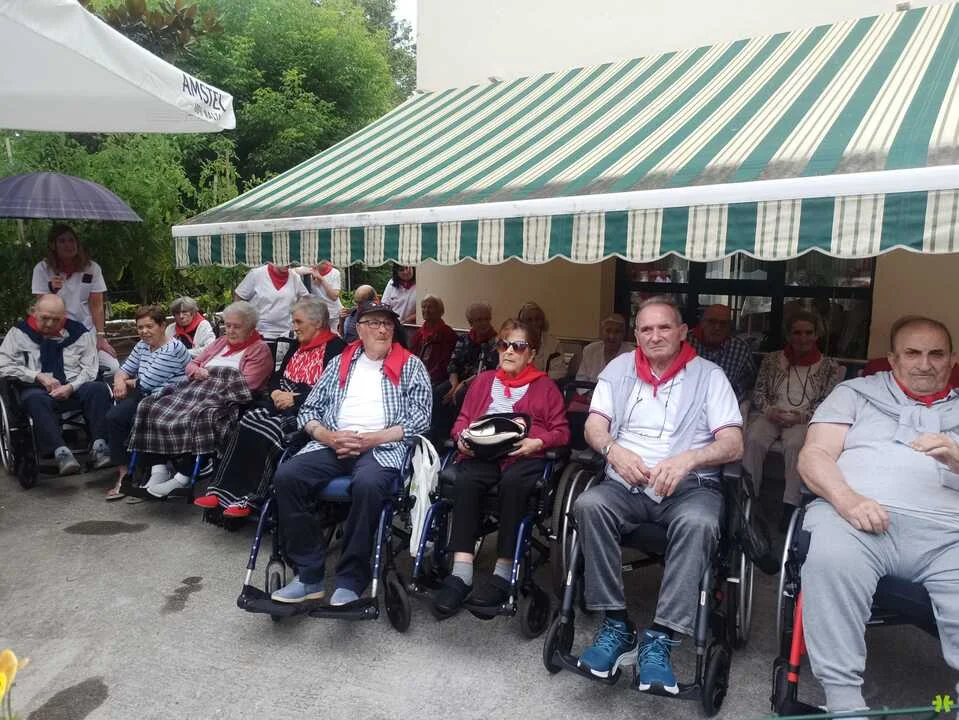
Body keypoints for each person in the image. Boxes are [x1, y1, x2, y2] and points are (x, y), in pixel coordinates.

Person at [572, 296, 743, 691]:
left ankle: (661, 636)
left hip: (689, 488)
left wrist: (688, 460)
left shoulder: (710, 376)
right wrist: (614, 451)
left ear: (682, 332)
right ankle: (616, 625)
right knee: (589, 504)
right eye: (646, 329)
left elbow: (733, 443)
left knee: (699, 522)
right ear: (636, 335)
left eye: (664, 327)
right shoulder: (618, 369)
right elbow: (594, 427)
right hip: (627, 484)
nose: (655, 336)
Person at [797, 315, 959, 719]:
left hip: (949, 535)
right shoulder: (854, 393)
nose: (925, 364)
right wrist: (848, 500)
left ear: (952, 360)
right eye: (913, 353)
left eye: (937, 354)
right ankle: (845, 703)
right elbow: (814, 455)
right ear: (893, 358)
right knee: (832, 555)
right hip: (855, 520)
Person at [270, 301, 431, 605]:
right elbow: (309, 409)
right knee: (287, 476)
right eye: (374, 323)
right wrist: (327, 436)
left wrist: (374, 438)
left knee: (368, 485)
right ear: (359, 329)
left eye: (387, 323)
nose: (382, 329)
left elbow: (421, 418)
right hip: (333, 441)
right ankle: (309, 575)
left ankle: (351, 578)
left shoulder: (411, 366)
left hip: (382, 447)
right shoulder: (339, 363)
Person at [431, 318, 570, 617]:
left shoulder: (545, 387)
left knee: (513, 484)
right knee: (466, 481)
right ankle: (461, 573)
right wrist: (461, 439)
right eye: (503, 344)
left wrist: (537, 442)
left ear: (531, 354)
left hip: (524, 456)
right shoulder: (483, 382)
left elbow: (561, 431)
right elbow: (462, 420)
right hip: (483, 453)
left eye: (518, 346)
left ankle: (504, 571)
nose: (508, 351)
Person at [194, 297, 346, 517]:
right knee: (246, 421)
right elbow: (276, 376)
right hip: (279, 401)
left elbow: (334, 390)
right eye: (293, 321)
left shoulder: (337, 349)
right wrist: (276, 392)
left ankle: (249, 499)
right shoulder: (297, 346)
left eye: (298, 322)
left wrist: (296, 399)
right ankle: (221, 492)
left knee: (269, 431)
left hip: (306, 410)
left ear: (318, 323)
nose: (294, 327)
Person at [126, 301, 272, 498]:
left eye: (236, 326)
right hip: (194, 390)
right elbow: (191, 364)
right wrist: (197, 371)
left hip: (225, 397)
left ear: (251, 327)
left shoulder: (259, 349)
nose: (230, 330)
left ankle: (183, 477)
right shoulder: (220, 343)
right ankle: (158, 469)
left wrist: (210, 376)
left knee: (201, 414)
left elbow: (248, 385)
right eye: (227, 325)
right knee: (150, 405)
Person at [743, 311, 842, 527]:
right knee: (754, 439)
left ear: (816, 335)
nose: (803, 338)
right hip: (772, 414)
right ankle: (748, 497)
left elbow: (829, 400)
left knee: (797, 445)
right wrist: (770, 410)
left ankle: (790, 505)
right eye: (797, 332)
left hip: (803, 419)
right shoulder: (772, 360)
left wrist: (804, 415)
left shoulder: (829, 366)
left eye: (808, 332)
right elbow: (759, 391)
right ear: (788, 335)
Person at [0, 294, 112, 474]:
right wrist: (37, 376)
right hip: (37, 389)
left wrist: (71, 387)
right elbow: (3, 365)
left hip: (74, 385)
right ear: (34, 312)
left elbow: (90, 368)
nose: (50, 323)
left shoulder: (79, 333)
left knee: (98, 389)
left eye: (56, 319)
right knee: (34, 400)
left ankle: (100, 446)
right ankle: (61, 453)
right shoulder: (18, 334)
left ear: (64, 316)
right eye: (45, 318)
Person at [105, 305, 191, 501]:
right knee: (114, 417)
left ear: (162, 326)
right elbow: (124, 369)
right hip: (146, 396)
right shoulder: (142, 345)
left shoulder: (173, 348)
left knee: (137, 417)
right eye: (140, 327)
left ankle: (154, 470)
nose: (144, 331)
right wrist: (120, 380)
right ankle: (124, 475)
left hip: (171, 398)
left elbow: (145, 382)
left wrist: (125, 382)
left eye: (149, 326)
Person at [30, 224, 118, 371]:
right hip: (57, 333)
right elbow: (43, 309)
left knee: (112, 367)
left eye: (71, 240)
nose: (68, 245)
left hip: (86, 332)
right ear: (53, 245)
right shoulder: (42, 269)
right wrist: (52, 291)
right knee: (66, 370)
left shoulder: (91, 268)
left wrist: (100, 338)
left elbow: (97, 306)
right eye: (62, 241)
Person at [430, 301, 499, 444]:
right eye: (479, 320)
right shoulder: (464, 339)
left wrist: (462, 385)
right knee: (438, 392)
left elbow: (488, 370)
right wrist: (454, 384)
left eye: (486, 319)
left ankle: (458, 436)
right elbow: (453, 363)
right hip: (459, 379)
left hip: (480, 382)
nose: (483, 323)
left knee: (460, 394)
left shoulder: (495, 342)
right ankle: (438, 436)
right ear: (471, 322)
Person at [688, 304, 756, 403]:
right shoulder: (684, 342)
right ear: (702, 323)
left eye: (723, 323)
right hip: (688, 404)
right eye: (712, 321)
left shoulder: (740, 349)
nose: (717, 327)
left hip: (726, 405)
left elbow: (751, 384)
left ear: (730, 327)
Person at [234, 262, 309, 343]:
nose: (287, 262)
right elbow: (239, 297)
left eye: (289, 259)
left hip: (287, 335)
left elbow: (307, 301)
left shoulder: (295, 277)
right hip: (260, 334)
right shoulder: (256, 274)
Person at [409, 295, 458, 386]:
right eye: (424, 307)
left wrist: (426, 377)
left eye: (430, 307)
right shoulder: (418, 333)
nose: (426, 310)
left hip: (436, 379)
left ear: (440, 311)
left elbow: (445, 363)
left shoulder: (447, 334)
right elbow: (411, 356)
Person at [575, 314, 635, 383]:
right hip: (591, 389)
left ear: (623, 334)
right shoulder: (590, 350)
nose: (612, 336)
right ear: (602, 332)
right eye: (608, 331)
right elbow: (581, 379)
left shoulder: (632, 354)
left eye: (617, 332)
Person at [517, 301, 563, 379]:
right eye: (529, 320)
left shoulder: (553, 344)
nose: (534, 323)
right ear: (522, 323)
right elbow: (503, 368)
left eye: (537, 319)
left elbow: (559, 372)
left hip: (545, 383)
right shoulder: (515, 342)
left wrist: (538, 378)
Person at [306, 261, 343, 329]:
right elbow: (293, 271)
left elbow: (334, 296)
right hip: (318, 314)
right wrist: (308, 272)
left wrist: (321, 279)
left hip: (334, 314)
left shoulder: (334, 272)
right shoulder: (308, 271)